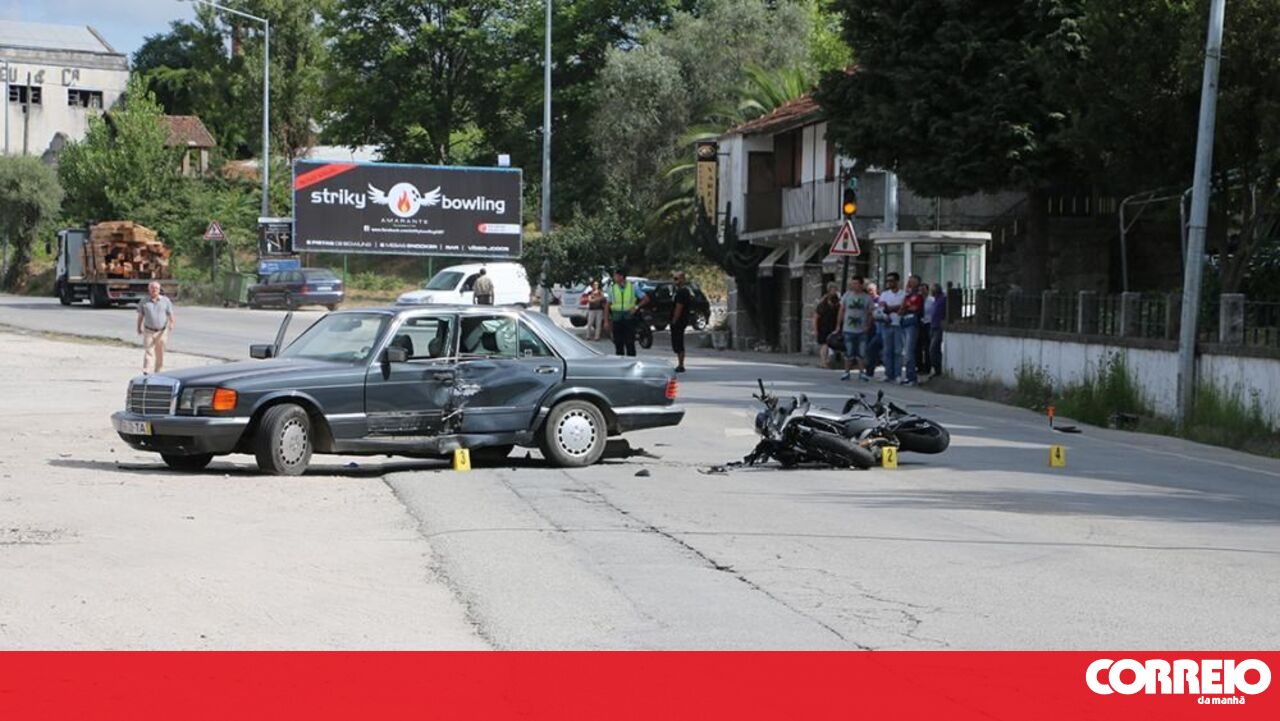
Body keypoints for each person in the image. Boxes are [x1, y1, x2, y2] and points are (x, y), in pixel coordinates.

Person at [604, 268, 648, 357]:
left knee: (630, 342)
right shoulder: (612, 288)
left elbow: (646, 299)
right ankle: (620, 361)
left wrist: (636, 307)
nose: (614, 278)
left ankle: (631, 361)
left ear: (621, 277)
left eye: (615, 276)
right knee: (618, 343)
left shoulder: (633, 287)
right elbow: (607, 305)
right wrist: (606, 321)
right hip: (617, 318)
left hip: (629, 318)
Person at [837, 276, 874, 381]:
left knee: (861, 352)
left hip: (862, 329)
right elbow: (841, 310)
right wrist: (838, 325)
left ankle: (862, 372)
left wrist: (868, 325)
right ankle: (846, 372)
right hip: (848, 329)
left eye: (856, 283)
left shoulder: (867, 298)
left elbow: (870, 313)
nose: (854, 286)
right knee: (849, 352)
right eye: (852, 283)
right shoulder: (847, 296)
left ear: (861, 285)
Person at [136, 280, 175, 375]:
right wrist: (139, 327)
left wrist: (171, 324)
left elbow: (171, 314)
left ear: (159, 289)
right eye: (152, 288)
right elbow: (140, 316)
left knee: (160, 352)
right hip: (148, 330)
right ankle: (146, 370)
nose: (154, 290)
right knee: (148, 350)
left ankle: (158, 371)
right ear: (149, 289)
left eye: (156, 288)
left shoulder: (165, 301)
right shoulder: (144, 301)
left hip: (162, 331)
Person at [876, 272, 906, 383]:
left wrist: (890, 308)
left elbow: (903, 307)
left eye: (891, 281)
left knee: (898, 351)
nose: (889, 283)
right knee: (887, 350)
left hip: (898, 324)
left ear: (897, 281)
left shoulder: (903, 294)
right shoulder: (884, 294)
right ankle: (888, 374)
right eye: (888, 281)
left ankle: (897, 374)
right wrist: (888, 311)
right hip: (887, 324)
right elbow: (881, 308)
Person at [900, 274, 925, 386]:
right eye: (909, 281)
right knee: (906, 352)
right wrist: (905, 307)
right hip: (905, 323)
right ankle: (908, 376)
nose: (910, 283)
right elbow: (901, 309)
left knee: (909, 351)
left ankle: (912, 377)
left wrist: (906, 307)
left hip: (912, 324)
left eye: (912, 281)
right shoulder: (907, 296)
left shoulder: (918, 296)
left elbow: (915, 308)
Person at [669, 271, 694, 372]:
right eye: (674, 278)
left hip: (680, 320)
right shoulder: (677, 291)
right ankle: (680, 363)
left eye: (677, 279)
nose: (675, 281)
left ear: (682, 279)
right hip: (680, 320)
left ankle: (681, 364)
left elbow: (679, 307)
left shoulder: (682, 292)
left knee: (678, 341)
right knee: (676, 341)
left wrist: (674, 320)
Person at [813, 284, 841, 368]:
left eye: (835, 289)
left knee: (834, 344)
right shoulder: (823, 302)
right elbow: (816, 317)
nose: (834, 291)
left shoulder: (838, 301)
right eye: (832, 289)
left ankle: (830, 361)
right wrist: (815, 329)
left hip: (834, 326)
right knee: (824, 344)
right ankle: (823, 362)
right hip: (823, 326)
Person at [928, 283, 947, 378]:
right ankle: (937, 370)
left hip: (939, 327)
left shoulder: (943, 299)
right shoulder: (935, 300)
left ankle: (938, 370)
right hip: (933, 326)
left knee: (933, 349)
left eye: (933, 289)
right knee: (934, 350)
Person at [918, 282, 934, 376]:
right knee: (919, 346)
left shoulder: (931, 300)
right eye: (920, 290)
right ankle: (920, 366)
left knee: (928, 346)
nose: (922, 292)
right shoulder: (918, 300)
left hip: (928, 323)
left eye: (923, 290)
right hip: (920, 324)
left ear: (927, 290)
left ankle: (928, 366)